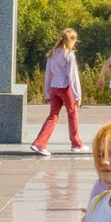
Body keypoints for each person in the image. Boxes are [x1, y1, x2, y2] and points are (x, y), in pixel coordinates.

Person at [33, 29, 83, 157]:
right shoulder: (69, 55)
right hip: (65, 88)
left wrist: (47, 92)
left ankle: (40, 142)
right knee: (72, 114)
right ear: (71, 40)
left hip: (54, 87)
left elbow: (48, 75)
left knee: (53, 115)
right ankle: (76, 144)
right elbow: (72, 76)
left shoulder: (52, 53)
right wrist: (77, 95)